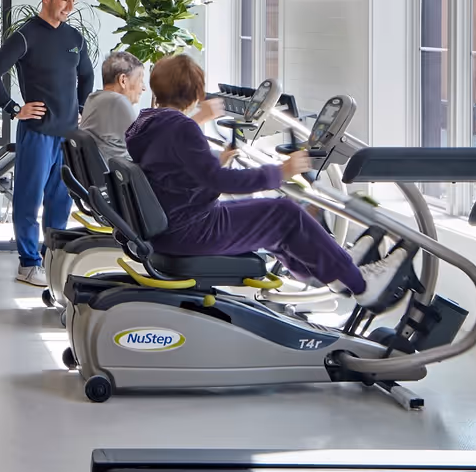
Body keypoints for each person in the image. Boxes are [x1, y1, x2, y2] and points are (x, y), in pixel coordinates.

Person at [124, 53, 414, 307]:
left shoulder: (147, 123)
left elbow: (173, 170)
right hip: (190, 229)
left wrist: (216, 161)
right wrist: (282, 172)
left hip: (176, 224)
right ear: (195, 92)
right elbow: (222, 182)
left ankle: (334, 270)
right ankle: (362, 285)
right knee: (284, 213)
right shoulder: (181, 128)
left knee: (269, 217)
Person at [0, 0, 94, 287]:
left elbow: (86, 76)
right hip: (37, 134)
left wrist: (82, 108)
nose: (69, 6)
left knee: (61, 202)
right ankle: (28, 264)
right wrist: (14, 108)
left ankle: (50, 260)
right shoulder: (26, 36)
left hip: (67, 135)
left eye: (73, 0)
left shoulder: (74, 39)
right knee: (29, 201)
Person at [78, 51, 144, 164]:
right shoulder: (119, 102)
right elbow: (145, 147)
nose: (143, 88)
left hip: (100, 174)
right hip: (119, 177)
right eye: (141, 81)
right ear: (123, 80)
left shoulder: (93, 98)